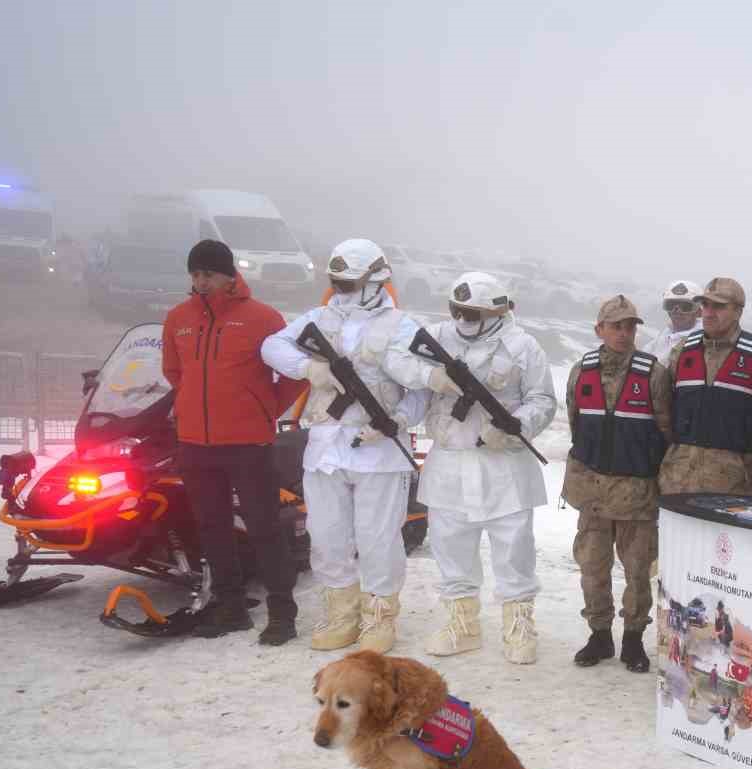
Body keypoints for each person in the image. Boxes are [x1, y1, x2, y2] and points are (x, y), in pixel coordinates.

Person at [261, 238, 426, 653]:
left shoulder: (402, 326)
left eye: (349, 284)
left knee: (378, 538)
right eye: (337, 282)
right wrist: (309, 368)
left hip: (379, 449)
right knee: (326, 534)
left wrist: (399, 421)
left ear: (376, 281)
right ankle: (341, 614)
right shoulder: (318, 318)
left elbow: (422, 388)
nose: (341, 291)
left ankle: (379, 617)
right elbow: (271, 346)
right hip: (326, 446)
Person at [385, 271, 556, 664]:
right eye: (457, 310)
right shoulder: (437, 335)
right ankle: (463, 624)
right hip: (449, 460)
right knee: (450, 546)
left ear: (497, 311)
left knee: (514, 549)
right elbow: (394, 359)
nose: (463, 320)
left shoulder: (523, 345)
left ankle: (519, 624)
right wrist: (431, 375)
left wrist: (515, 427)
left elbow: (542, 400)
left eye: (473, 313)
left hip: (504, 464)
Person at [161, 238, 298, 643]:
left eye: (210, 274)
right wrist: (192, 405)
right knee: (212, 527)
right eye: (196, 274)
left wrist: (265, 408)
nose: (202, 282)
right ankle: (231, 607)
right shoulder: (178, 318)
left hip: (248, 443)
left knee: (264, 527)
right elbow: (174, 370)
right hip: (195, 443)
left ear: (230, 274)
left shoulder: (263, 318)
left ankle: (282, 612)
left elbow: (295, 372)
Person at [562, 294, 672, 671]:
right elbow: (576, 421)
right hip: (592, 490)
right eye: (616, 326)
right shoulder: (581, 370)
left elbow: (665, 429)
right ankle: (599, 635)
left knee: (638, 570)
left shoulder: (654, 373)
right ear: (599, 329)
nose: (624, 333)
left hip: (636, 492)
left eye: (630, 326)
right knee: (592, 566)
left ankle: (633, 639)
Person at [657, 277, 752, 497]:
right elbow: (666, 409)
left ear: (738, 311)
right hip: (677, 483)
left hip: (735, 488)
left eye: (719, 306)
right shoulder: (682, 352)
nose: (708, 312)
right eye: (705, 305)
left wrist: (735, 439)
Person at [651, 280, 703, 366]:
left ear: (698, 311)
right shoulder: (663, 336)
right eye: (671, 305)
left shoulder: (703, 342)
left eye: (685, 306)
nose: (677, 311)